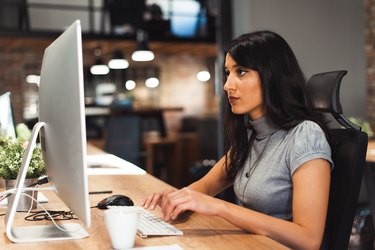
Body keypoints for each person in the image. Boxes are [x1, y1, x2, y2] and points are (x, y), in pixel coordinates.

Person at [142, 30, 332, 249]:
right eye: (227, 73)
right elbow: (205, 186)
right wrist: (179, 197)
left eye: (241, 72)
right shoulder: (252, 135)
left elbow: (309, 239)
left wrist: (220, 207)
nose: (227, 85)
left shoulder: (306, 135)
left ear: (272, 75)